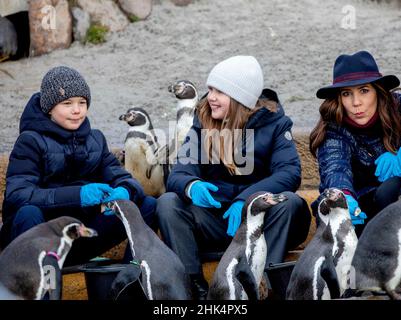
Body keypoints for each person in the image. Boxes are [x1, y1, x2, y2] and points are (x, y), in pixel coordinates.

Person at [156, 55, 311, 299]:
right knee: (168, 202)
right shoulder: (203, 121)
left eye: (219, 91)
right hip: (216, 219)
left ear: (240, 98)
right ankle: (192, 284)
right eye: (210, 89)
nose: (211, 97)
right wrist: (192, 184)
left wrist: (247, 200)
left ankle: (264, 283)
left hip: (259, 222)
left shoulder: (276, 124)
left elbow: (289, 173)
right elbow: (179, 172)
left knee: (290, 203)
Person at [0, 66, 156, 265]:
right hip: (37, 238)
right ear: (49, 108)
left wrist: (125, 191)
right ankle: (39, 292)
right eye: (67, 103)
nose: (77, 110)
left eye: (82, 102)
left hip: (81, 236)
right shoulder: (30, 141)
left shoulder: (96, 140)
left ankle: (130, 280)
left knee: (147, 205)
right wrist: (78, 195)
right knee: (28, 212)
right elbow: (18, 195)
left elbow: (124, 179)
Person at [310, 50, 401, 235]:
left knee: (390, 189)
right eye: (346, 93)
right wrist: (344, 197)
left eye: (364, 91)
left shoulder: (398, 108)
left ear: (378, 91)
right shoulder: (333, 129)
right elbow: (336, 167)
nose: (356, 102)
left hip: (393, 203)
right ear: (339, 98)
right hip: (360, 209)